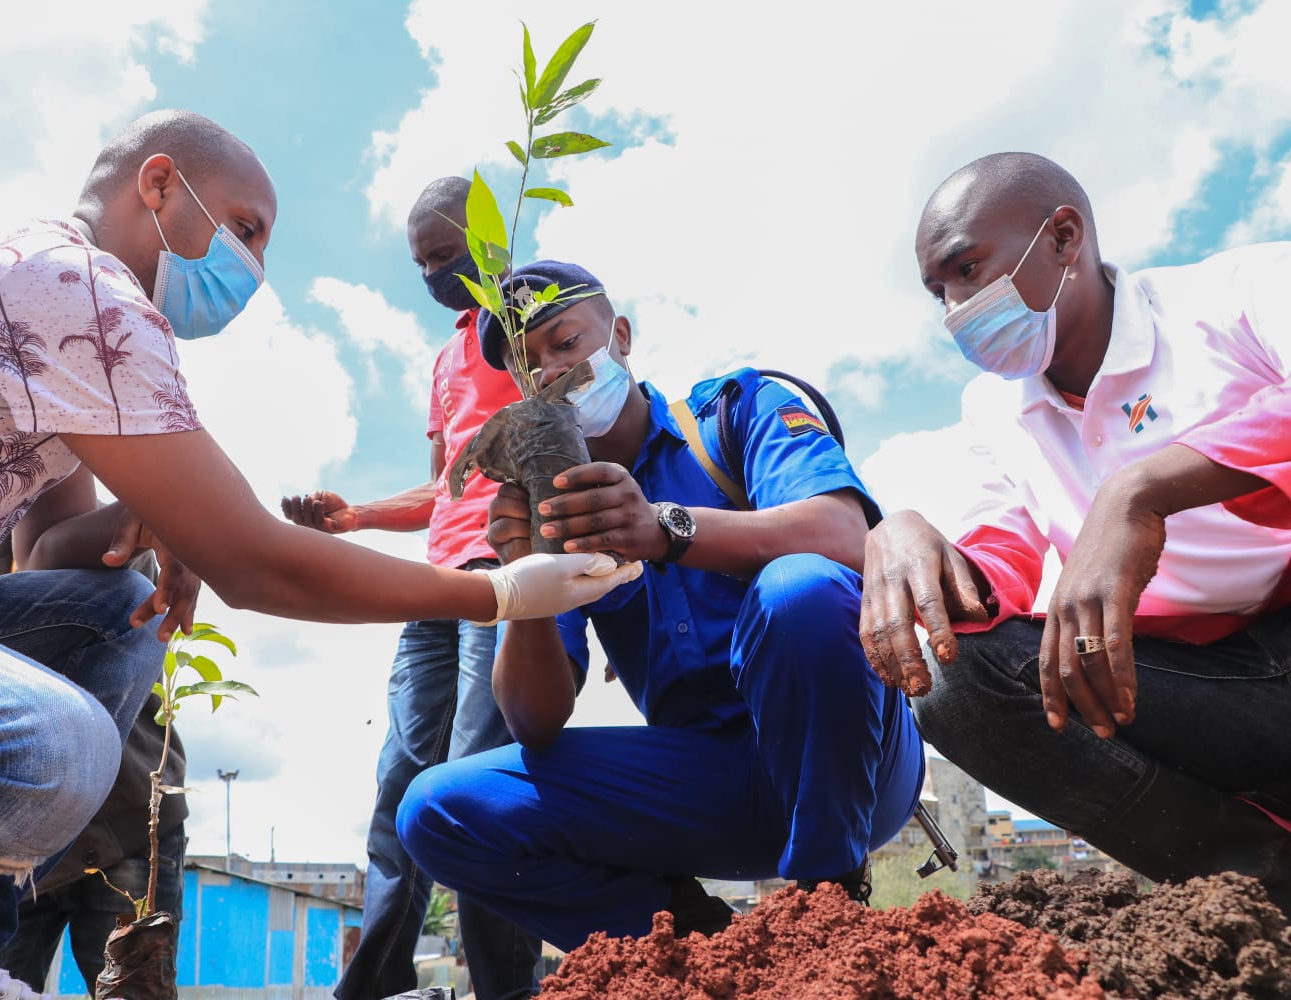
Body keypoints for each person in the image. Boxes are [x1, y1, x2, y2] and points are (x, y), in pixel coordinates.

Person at [0, 111, 638, 1000]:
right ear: (157, 186)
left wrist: (153, 515)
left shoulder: (60, 352)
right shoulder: (71, 287)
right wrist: (500, 592)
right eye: (244, 229)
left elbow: (45, 555)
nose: (254, 270)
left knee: (112, 613)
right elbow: (255, 564)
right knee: (52, 750)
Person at [394, 260, 926, 952]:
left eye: (565, 341)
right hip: (708, 784)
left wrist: (664, 530)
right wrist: (524, 580)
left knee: (799, 590)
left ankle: (828, 905)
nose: (551, 371)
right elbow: (534, 719)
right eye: (529, 368)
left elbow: (847, 536)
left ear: (619, 334)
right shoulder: (557, 510)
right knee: (438, 810)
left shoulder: (735, 411)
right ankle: (700, 948)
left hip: (853, 765)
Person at [859, 151, 1291, 914]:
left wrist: (1144, 489)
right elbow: (1002, 561)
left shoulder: (1236, 294)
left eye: (968, 269)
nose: (956, 307)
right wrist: (907, 539)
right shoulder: (996, 411)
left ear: (1064, 238)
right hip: (1212, 689)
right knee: (965, 683)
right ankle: (1262, 889)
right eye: (940, 291)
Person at [283, 177, 541, 1000]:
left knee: (474, 779)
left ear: (491, 237)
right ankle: (376, 987)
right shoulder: (445, 358)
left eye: (446, 254)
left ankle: (509, 988)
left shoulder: (537, 315)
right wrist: (356, 516)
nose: (434, 273)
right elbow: (445, 487)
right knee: (400, 785)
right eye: (422, 262)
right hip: (434, 587)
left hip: (506, 579)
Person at [0, 528, 189, 995]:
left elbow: (131, 545)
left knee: (133, 990)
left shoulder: (111, 550)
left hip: (124, 826)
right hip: (17, 847)